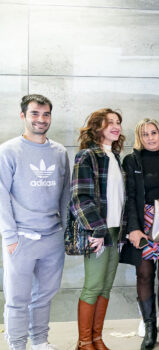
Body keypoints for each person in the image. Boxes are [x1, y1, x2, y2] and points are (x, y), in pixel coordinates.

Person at [0, 95, 70, 350]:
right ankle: (17, 345)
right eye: (35, 114)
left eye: (46, 114)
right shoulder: (8, 151)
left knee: (44, 296)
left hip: (53, 237)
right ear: (23, 116)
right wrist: (10, 237)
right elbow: (1, 196)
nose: (41, 119)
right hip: (21, 238)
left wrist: (65, 233)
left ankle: (39, 341)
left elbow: (65, 195)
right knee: (17, 299)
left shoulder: (60, 153)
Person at [70, 108, 127, 350]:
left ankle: (96, 338)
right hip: (99, 232)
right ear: (97, 127)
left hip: (115, 231)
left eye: (118, 123)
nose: (116, 126)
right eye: (109, 123)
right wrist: (96, 230)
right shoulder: (87, 156)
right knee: (93, 285)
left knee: (106, 286)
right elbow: (79, 198)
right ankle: (84, 342)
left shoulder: (115, 157)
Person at [121, 119, 159, 349]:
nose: (151, 138)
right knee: (144, 275)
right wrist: (133, 228)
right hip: (143, 222)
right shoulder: (131, 160)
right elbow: (130, 197)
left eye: (154, 133)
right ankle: (149, 328)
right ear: (139, 138)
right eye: (145, 134)